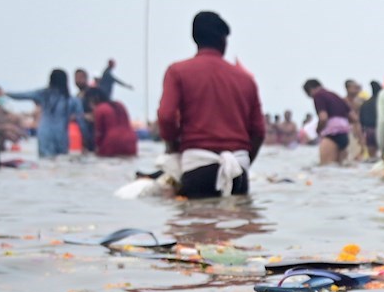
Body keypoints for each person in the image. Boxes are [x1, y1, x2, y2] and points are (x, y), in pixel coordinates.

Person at [156, 10, 263, 197]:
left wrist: (174, 148)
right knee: (239, 224)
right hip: (238, 172)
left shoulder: (178, 72)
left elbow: (166, 117)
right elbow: (259, 132)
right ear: (223, 40)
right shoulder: (245, 79)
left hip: (197, 169)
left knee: (197, 223)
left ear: (194, 38)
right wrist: (243, 163)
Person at [4, 69, 85, 158]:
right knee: (62, 161)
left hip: (44, 133)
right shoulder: (72, 100)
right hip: (61, 134)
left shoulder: (43, 94)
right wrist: (87, 139)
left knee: (45, 162)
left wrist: (6, 93)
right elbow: (81, 121)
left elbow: (23, 95)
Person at [303, 79, 352, 164]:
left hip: (331, 135)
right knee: (341, 167)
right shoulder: (336, 96)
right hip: (344, 135)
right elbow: (353, 117)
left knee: (326, 168)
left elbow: (323, 118)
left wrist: (318, 130)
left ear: (310, 90)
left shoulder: (318, 95)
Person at [89, 85, 137, 157]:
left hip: (112, 143)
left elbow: (99, 133)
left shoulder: (100, 109)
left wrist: (97, 148)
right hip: (130, 140)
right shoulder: (120, 105)